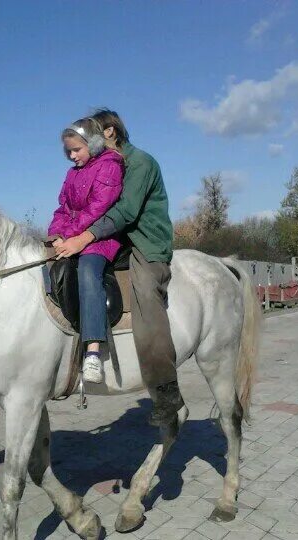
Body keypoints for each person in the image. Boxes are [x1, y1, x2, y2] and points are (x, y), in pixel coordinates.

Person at [54, 109, 183, 425]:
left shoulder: (139, 163)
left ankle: (165, 389)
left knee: (145, 297)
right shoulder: (95, 165)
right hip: (111, 236)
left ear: (109, 132)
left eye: (94, 131)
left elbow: (124, 212)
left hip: (143, 241)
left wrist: (82, 237)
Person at [48, 117, 124, 384]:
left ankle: (92, 351)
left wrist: (70, 235)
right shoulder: (72, 174)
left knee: (88, 272)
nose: (71, 156)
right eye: (68, 151)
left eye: (76, 150)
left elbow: (98, 208)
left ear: (92, 143)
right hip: (72, 236)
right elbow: (62, 209)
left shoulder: (110, 166)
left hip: (100, 239)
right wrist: (56, 235)